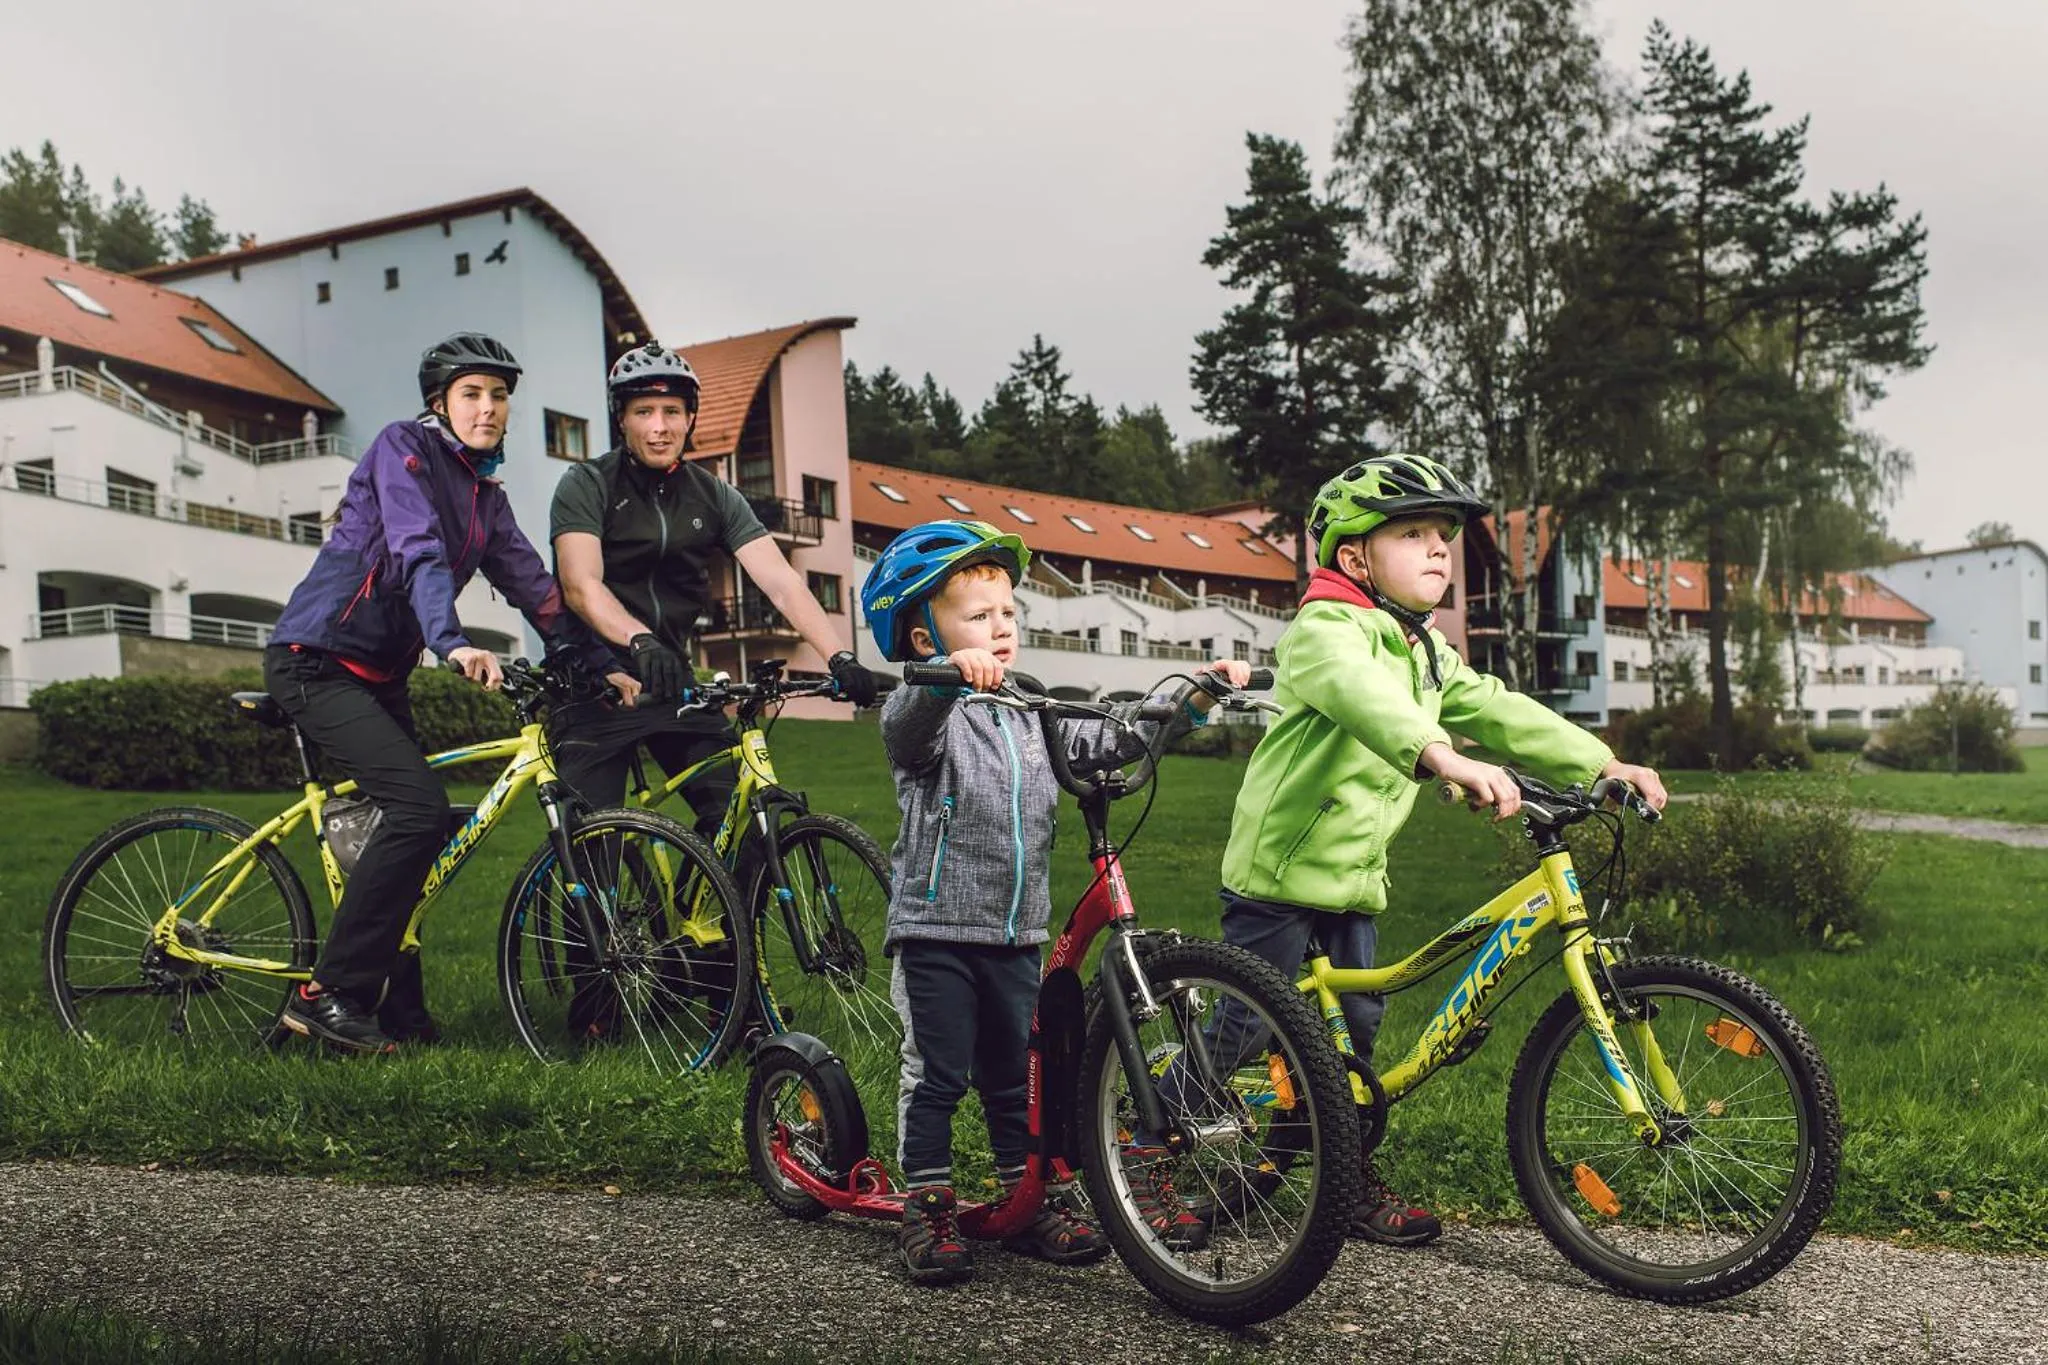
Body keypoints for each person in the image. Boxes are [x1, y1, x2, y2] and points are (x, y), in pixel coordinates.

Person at [1208, 455, 1668, 1245]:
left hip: (1355, 880)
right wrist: (1442, 755)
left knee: (1352, 1035)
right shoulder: (1325, 629)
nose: (1438, 549)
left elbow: (1500, 707)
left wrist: (1603, 762)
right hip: (1280, 874)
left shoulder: (1420, 648)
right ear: (1355, 558)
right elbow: (1366, 699)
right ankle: (1157, 1134)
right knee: (1244, 1028)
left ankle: (1337, 1176)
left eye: (1445, 537)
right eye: (1414, 533)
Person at [861, 519, 1253, 1285]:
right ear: (919, 636)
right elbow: (908, 729)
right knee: (937, 1071)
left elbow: (1116, 740)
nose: (1000, 628)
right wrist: (944, 675)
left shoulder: (1031, 708)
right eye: (978, 616)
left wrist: (1193, 698)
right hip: (937, 930)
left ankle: (1026, 1194)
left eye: (1008, 613)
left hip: (1016, 934)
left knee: (1016, 1070)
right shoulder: (923, 710)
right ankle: (928, 1202)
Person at [264, 333, 617, 1054]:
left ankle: (400, 1010)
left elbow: (538, 591)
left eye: (498, 396)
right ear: (440, 403)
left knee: (411, 828)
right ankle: (328, 993)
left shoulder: (486, 497)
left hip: (377, 674)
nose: (487, 409)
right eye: (471, 394)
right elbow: (417, 546)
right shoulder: (405, 451)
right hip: (315, 658)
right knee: (419, 807)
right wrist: (448, 639)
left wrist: (597, 661)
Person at [548, 341, 877, 826]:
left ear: (690, 418)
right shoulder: (588, 483)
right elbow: (581, 584)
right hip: (592, 683)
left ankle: (697, 903)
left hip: (671, 680)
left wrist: (839, 655)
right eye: (644, 412)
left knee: (739, 816)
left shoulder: (713, 496)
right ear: (622, 419)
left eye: (672, 412)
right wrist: (638, 638)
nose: (659, 427)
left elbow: (781, 581)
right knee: (596, 847)